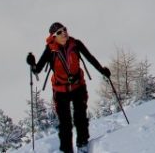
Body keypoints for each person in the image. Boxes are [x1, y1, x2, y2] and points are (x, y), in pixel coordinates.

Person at [26, 22, 110, 153]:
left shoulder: (76, 44)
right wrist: (32, 64)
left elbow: (90, 58)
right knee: (65, 124)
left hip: (78, 86)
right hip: (61, 91)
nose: (64, 32)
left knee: (80, 117)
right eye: (59, 32)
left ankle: (82, 146)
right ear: (54, 36)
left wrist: (102, 71)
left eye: (64, 29)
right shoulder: (50, 49)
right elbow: (37, 69)